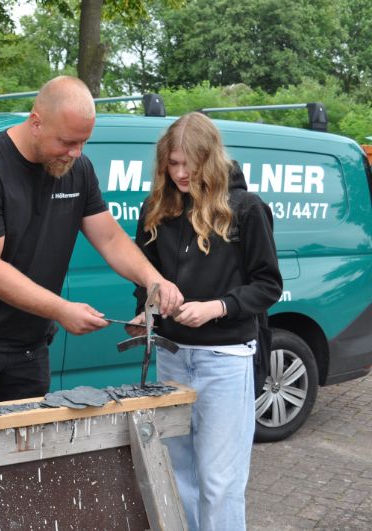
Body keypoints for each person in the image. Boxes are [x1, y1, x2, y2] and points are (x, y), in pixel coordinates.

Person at [0, 75, 183, 407]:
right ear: (36, 122)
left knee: (27, 454)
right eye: (66, 142)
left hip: (30, 349)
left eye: (83, 142)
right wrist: (62, 309)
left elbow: (109, 237)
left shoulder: (78, 170)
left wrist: (154, 280)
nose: (75, 153)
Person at [128, 112, 283, 530]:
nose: (180, 173)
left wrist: (215, 307)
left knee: (219, 483)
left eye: (188, 164)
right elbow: (147, 277)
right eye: (172, 163)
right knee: (180, 479)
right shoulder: (156, 208)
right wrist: (145, 312)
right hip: (172, 357)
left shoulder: (246, 210)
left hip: (225, 359)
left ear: (209, 158)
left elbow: (268, 285)